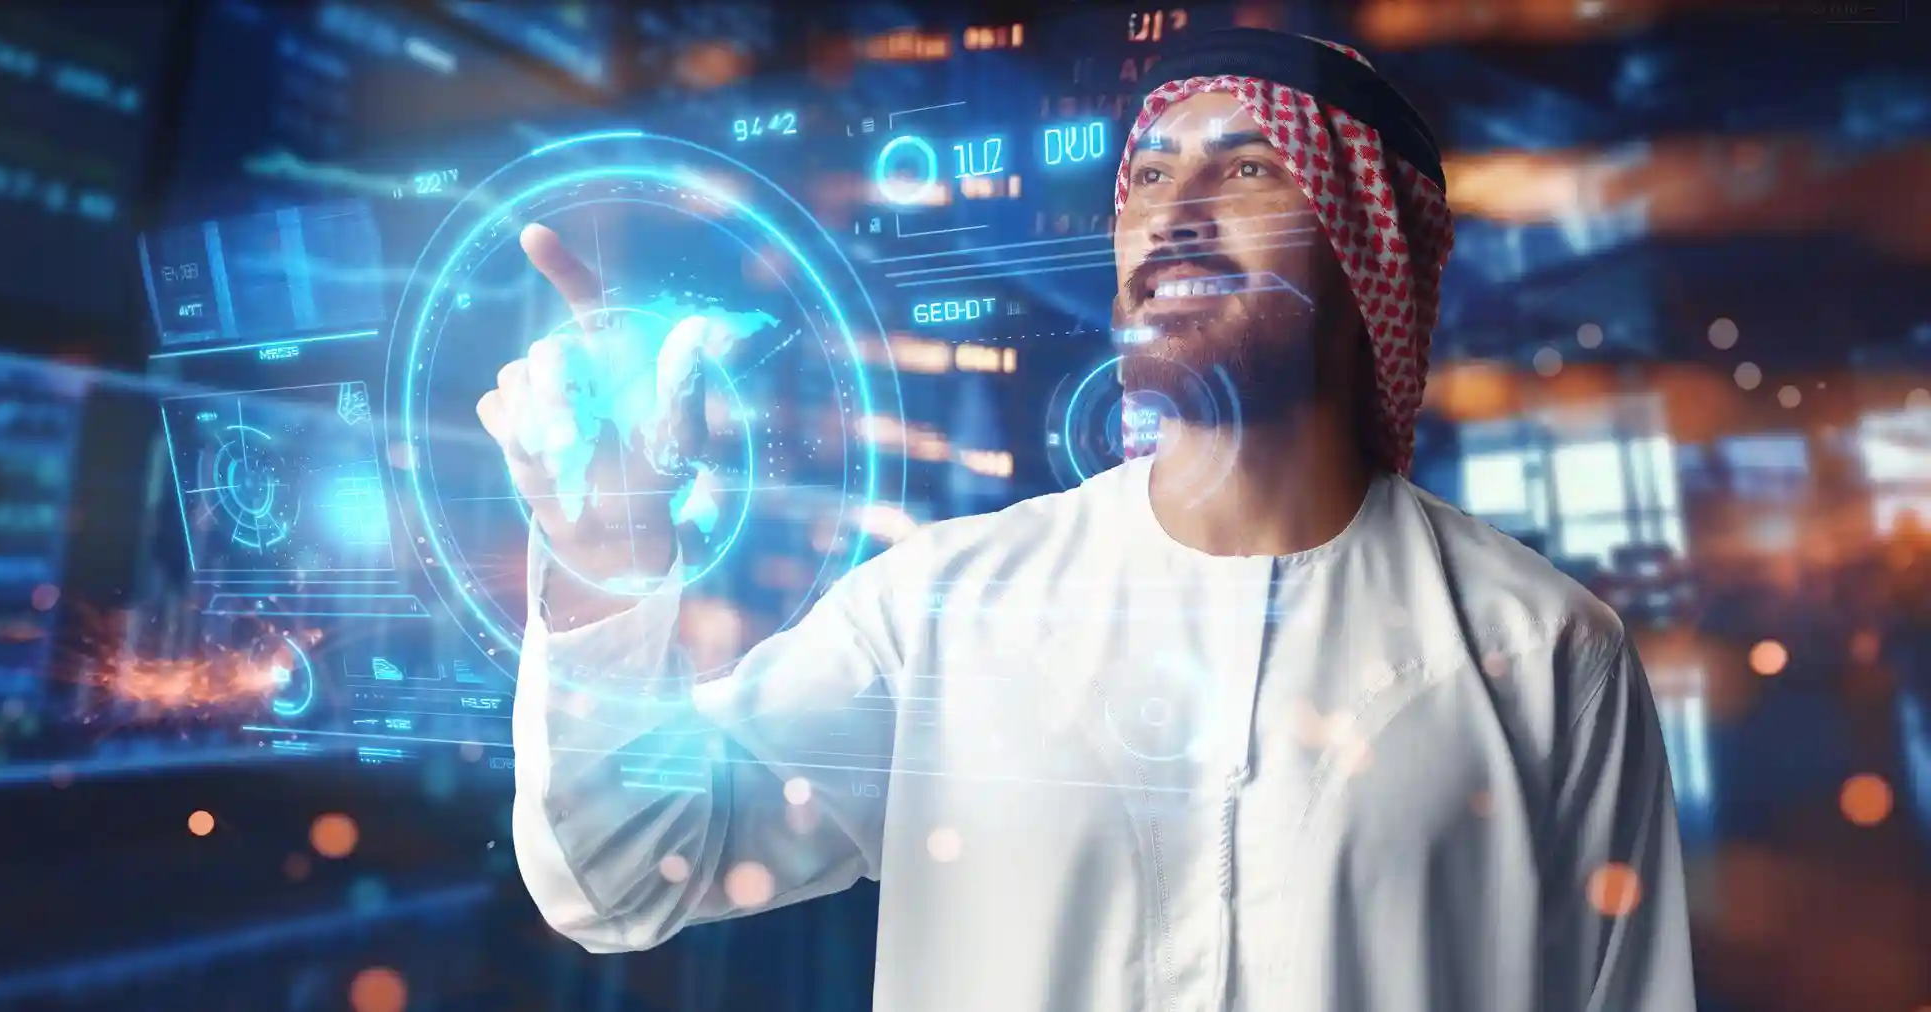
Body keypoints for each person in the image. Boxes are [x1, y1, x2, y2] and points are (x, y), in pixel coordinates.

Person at [477, 28, 1695, 1012]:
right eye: (1151, 176)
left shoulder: (1541, 650)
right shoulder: (941, 607)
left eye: (1247, 167)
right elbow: (622, 870)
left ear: (1364, 239)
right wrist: (601, 570)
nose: (1175, 212)